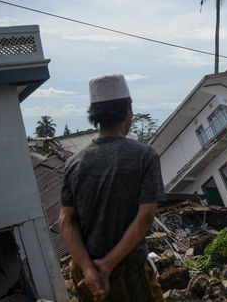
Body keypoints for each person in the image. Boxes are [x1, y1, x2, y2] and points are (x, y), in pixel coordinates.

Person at [59, 74, 165, 302]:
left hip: (84, 274)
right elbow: (146, 215)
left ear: (95, 116)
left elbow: (66, 221)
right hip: (126, 270)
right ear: (127, 110)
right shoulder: (144, 155)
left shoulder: (73, 163)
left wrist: (89, 269)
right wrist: (106, 266)